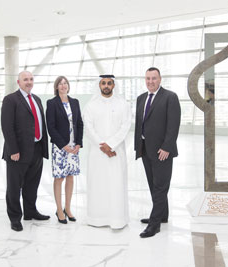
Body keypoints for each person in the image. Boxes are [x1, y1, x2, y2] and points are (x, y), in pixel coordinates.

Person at [1, 70, 50, 232]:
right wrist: (13, 150)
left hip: (36, 148)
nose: (29, 82)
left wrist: (43, 146)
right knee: (14, 186)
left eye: (31, 79)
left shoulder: (36, 99)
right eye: (25, 79)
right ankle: (15, 218)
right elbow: (7, 127)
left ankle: (30, 211)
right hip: (18, 152)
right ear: (18, 82)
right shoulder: (10, 99)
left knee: (32, 184)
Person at [134, 67, 181, 238]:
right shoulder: (141, 99)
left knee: (160, 187)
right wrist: (138, 147)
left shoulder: (170, 97)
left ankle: (154, 225)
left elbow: (173, 124)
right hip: (145, 149)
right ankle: (162, 215)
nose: (150, 81)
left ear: (160, 79)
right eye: (147, 78)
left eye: (154, 78)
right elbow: (140, 125)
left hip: (163, 151)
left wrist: (167, 147)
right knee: (154, 185)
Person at [83, 74, 131, 229]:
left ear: (114, 85)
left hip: (116, 153)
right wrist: (102, 145)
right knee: (98, 185)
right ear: (99, 85)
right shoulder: (91, 105)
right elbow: (88, 128)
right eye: (103, 83)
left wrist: (111, 145)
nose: (106, 86)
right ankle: (97, 218)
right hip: (97, 154)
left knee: (116, 184)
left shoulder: (123, 104)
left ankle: (117, 219)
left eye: (109, 83)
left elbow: (126, 126)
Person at [46, 76, 84, 224]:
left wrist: (79, 143)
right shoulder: (52, 103)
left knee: (70, 177)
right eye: (60, 84)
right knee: (59, 178)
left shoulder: (75, 102)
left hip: (74, 147)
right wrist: (63, 145)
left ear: (68, 86)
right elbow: (51, 127)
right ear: (56, 87)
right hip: (60, 147)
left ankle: (68, 208)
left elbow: (79, 123)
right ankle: (59, 210)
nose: (63, 86)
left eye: (65, 83)